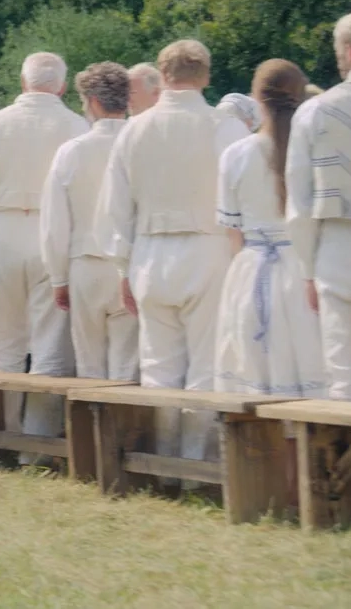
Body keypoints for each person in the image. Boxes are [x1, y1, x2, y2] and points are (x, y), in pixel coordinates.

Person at [98, 39, 239, 461]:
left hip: (150, 253)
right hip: (209, 248)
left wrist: (124, 268)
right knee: (206, 363)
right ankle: (196, 460)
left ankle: (162, 464)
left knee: (159, 364)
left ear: (163, 76)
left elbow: (114, 208)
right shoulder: (224, 125)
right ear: (206, 76)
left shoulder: (134, 130)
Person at [0, 53, 89, 445]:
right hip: (52, 234)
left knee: (6, 338)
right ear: (62, 87)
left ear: (22, 81)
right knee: (49, 341)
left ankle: (3, 432)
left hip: (3, 232)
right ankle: (37, 439)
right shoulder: (75, 125)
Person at [215, 60, 325, 398]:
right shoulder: (314, 148)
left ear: (256, 98)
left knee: (255, 377)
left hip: (253, 269)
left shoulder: (237, 154)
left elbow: (232, 231)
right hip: (307, 270)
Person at [41, 62, 138, 381]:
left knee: (89, 366)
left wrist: (58, 277)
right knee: (127, 365)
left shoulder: (71, 151)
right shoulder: (139, 142)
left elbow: (55, 224)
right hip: (133, 264)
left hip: (85, 265)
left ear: (93, 102)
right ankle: (127, 430)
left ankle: (93, 430)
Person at [288, 11, 351, 401]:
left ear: (349, 52)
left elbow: (299, 201)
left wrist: (306, 269)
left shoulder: (315, 111)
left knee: (346, 380)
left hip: (340, 250)